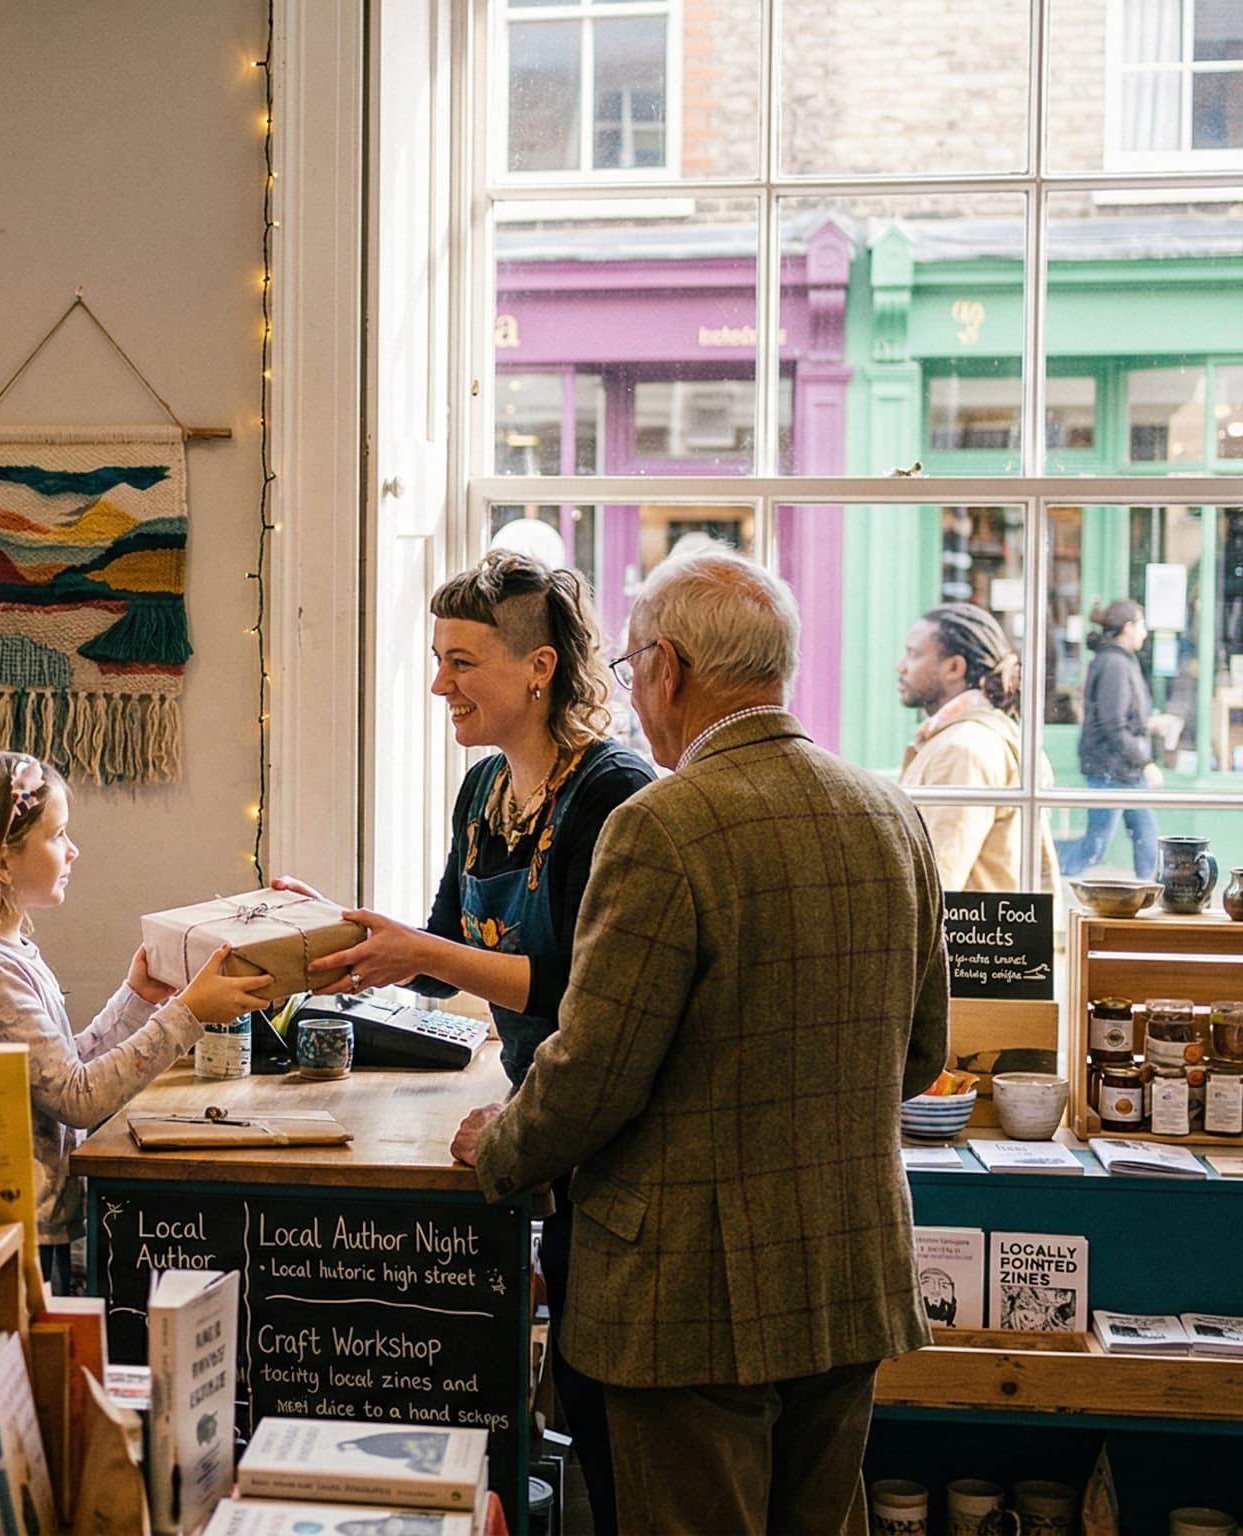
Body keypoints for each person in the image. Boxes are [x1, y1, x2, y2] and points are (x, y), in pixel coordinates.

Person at [451, 551, 947, 1536]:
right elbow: (918, 1056)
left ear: (668, 669)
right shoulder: (890, 814)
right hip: (848, 1276)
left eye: (634, 668)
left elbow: (593, 1073)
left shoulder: (661, 825)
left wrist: (496, 1146)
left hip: (687, 1301)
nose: (632, 695)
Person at [276, 551, 653, 1532]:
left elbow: (583, 986)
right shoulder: (484, 790)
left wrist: (414, 951)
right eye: (436, 659)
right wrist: (334, 934)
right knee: (575, 1376)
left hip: (605, 1124)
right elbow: (445, 952)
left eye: (460, 661)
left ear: (538, 668)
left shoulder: (612, 794)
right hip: (543, 1112)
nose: (439, 683)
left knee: (612, 1411)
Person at [0, 747, 273, 1292]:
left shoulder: (6, 952)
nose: (73, 850)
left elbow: (63, 1067)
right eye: (57, 836)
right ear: (0, 860)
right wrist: (188, 1014)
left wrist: (136, 1000)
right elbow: (77, 1099)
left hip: (39, 1222)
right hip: (16, 1235)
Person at [895, 601, 1061, 894]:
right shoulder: (976, 735)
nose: (901, 666)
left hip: (969, 936)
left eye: (913, 654)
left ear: (955, 667)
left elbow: (937, 881)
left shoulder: (961, 749)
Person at [1060, 599, 1174, 879]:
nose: (1145, 633)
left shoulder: (1119, 660)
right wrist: (1145, 762)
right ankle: (1042, 864)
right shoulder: (1114, 664)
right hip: (1112, 769)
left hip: (1123, 769)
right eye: (1142, 625)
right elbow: (1112, 725)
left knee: (1148, 842)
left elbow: (1120, 717)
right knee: (1094, 848)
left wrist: (1149, 724)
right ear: (1128, 627)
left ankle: (1154, 895)